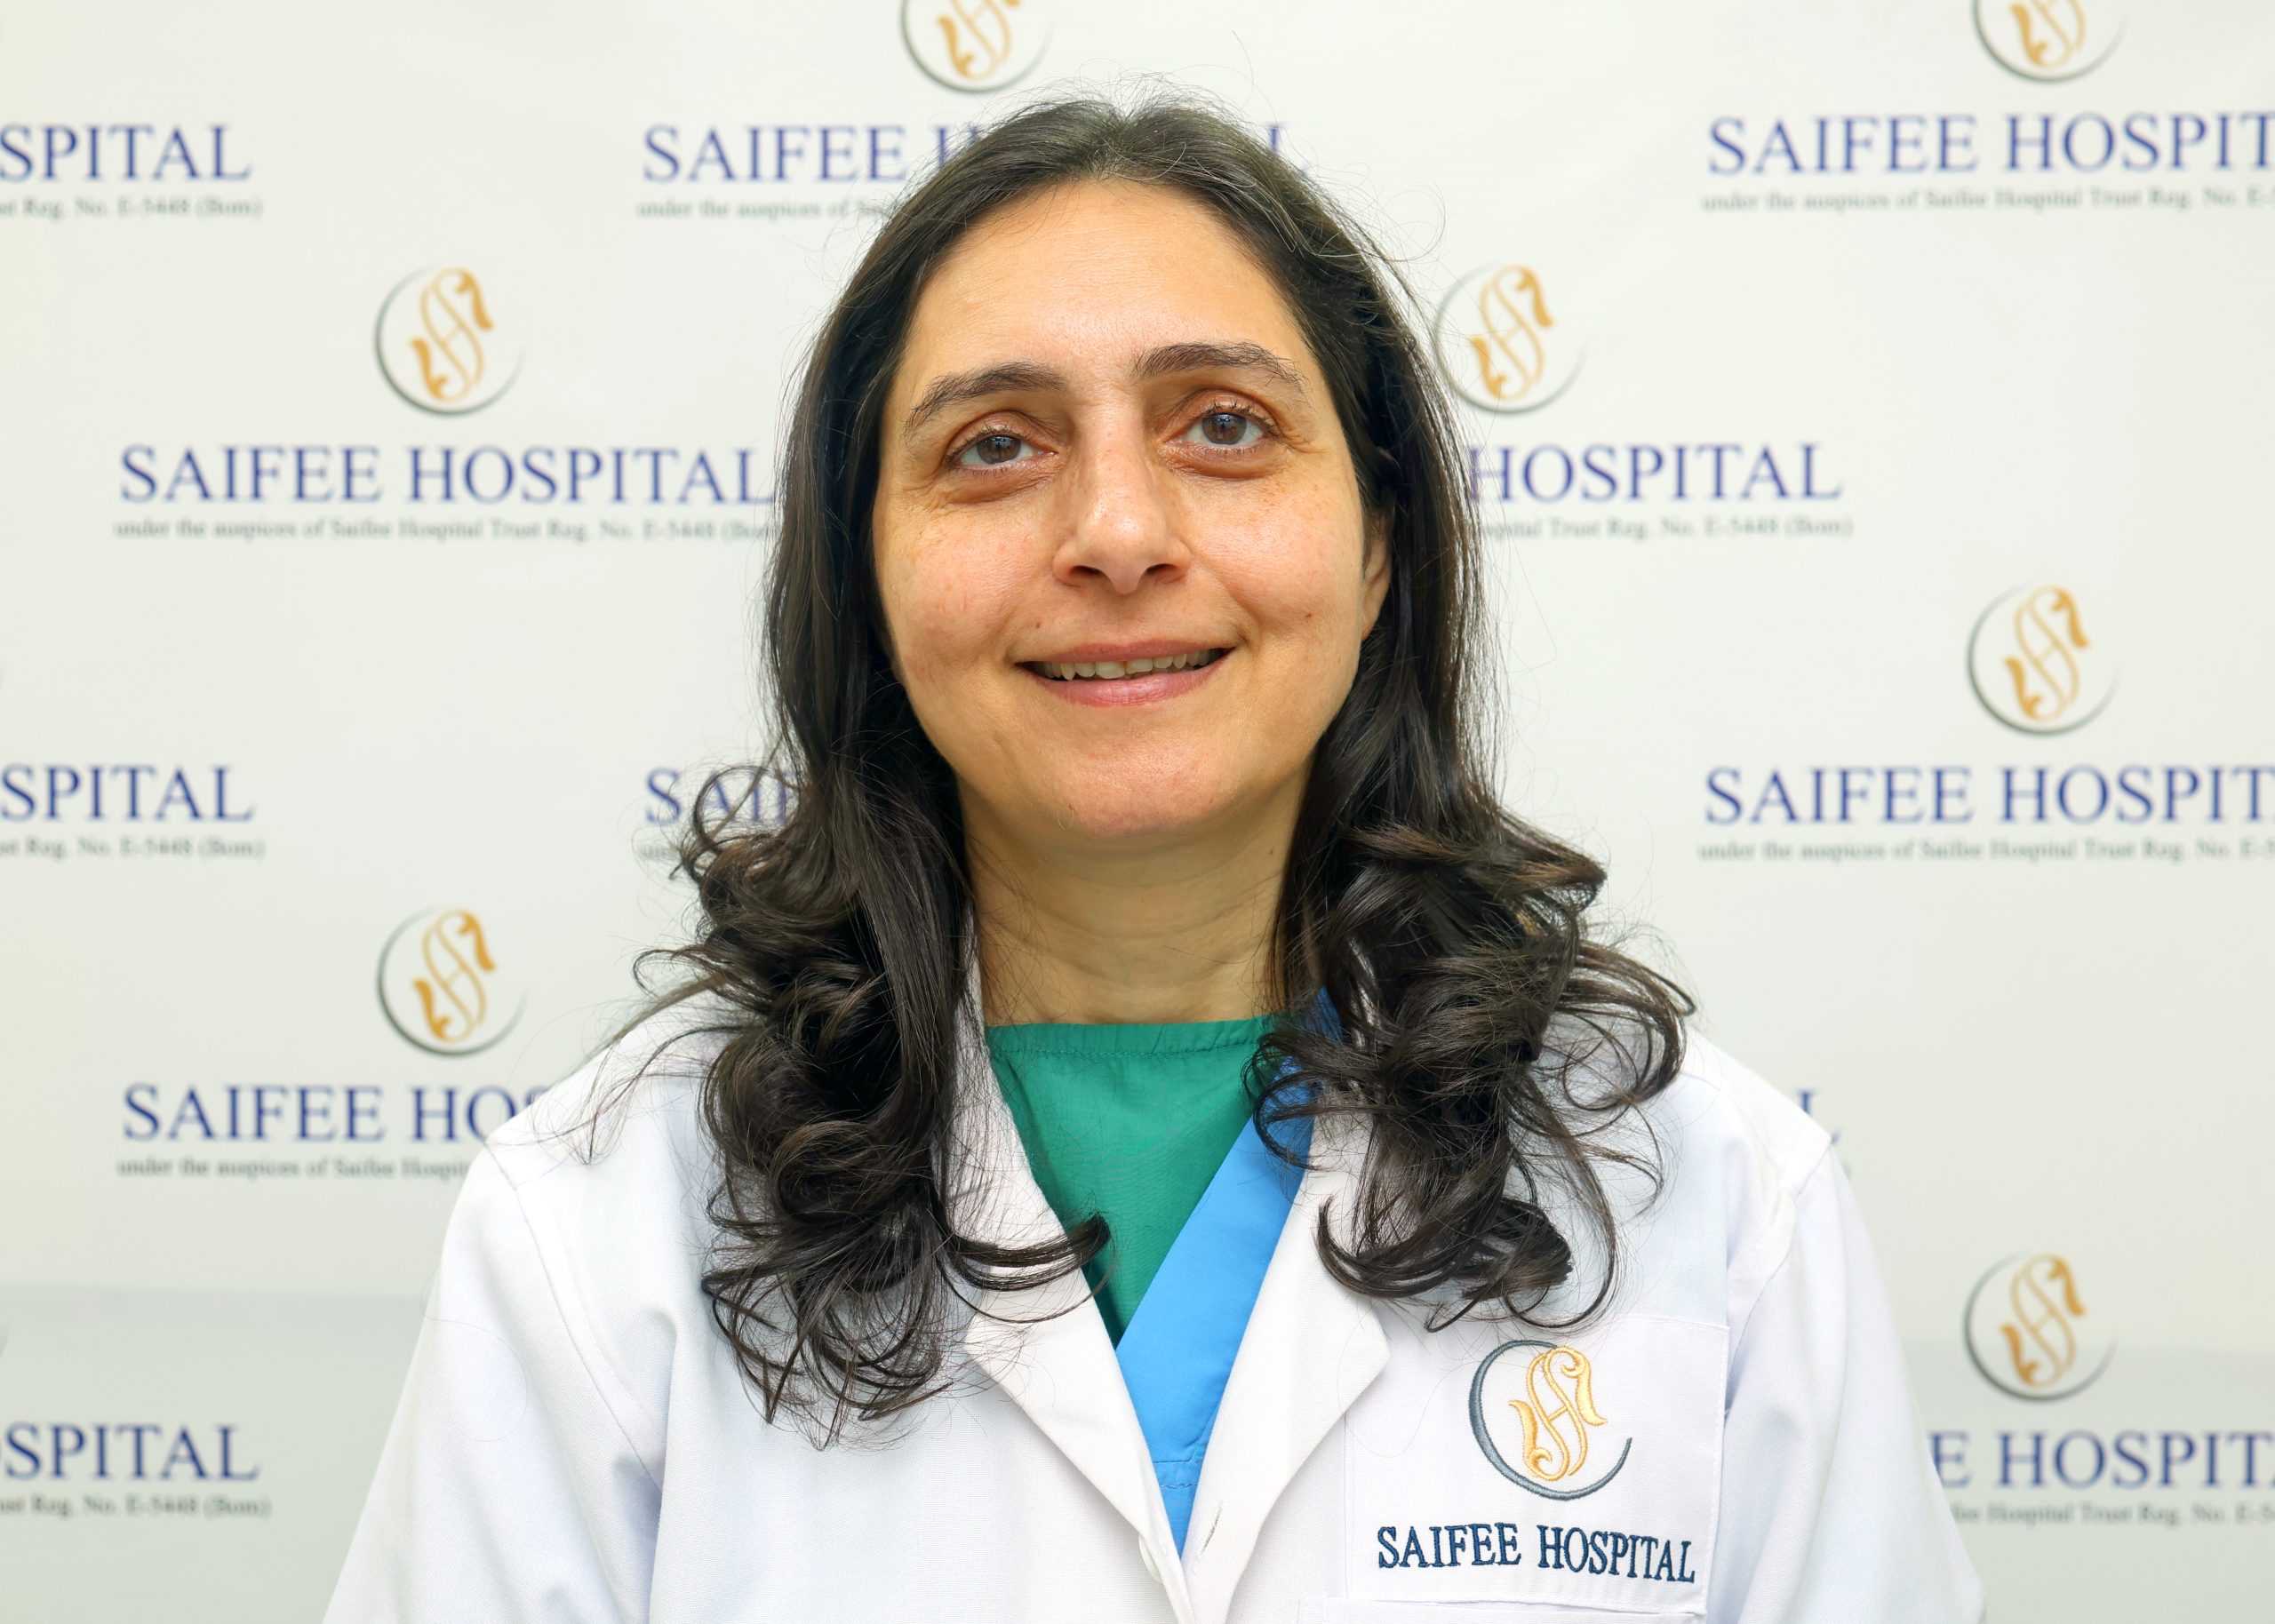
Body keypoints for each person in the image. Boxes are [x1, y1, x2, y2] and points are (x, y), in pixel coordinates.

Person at [325, 88, 1982, 1623]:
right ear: (868, 572)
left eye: (1224, 426)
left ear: (1381, 541)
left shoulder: (1707, 1202)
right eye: (995, 444)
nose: (1118, 533)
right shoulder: (604, 1226)